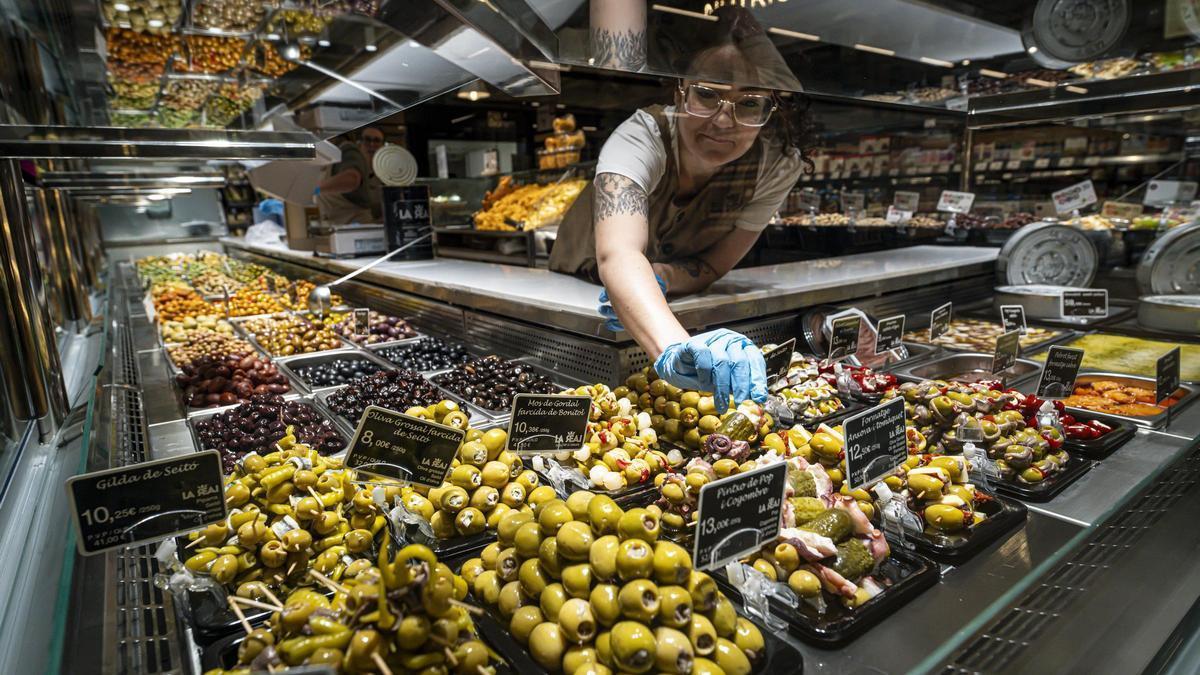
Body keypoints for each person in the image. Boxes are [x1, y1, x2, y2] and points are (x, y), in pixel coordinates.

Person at [550, 8, 813, 411]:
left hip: (664, 300)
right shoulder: (639, 137)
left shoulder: (777, 165)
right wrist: (674, 346)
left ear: (768, 112)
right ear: (681, 93)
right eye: (707, 94)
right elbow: (619, 253)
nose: (725, 120)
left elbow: (714, 265)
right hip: (578, 295)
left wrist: (663, 278)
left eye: (749, 104)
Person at [316, 126, 385, 225]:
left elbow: (352, 179)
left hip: (359, 227)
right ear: (359, 142)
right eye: (367, 139)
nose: (372, 144)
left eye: (377, 140)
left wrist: (315, 189)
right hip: (336, 226)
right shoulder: (337, 160)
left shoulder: (347, 152)